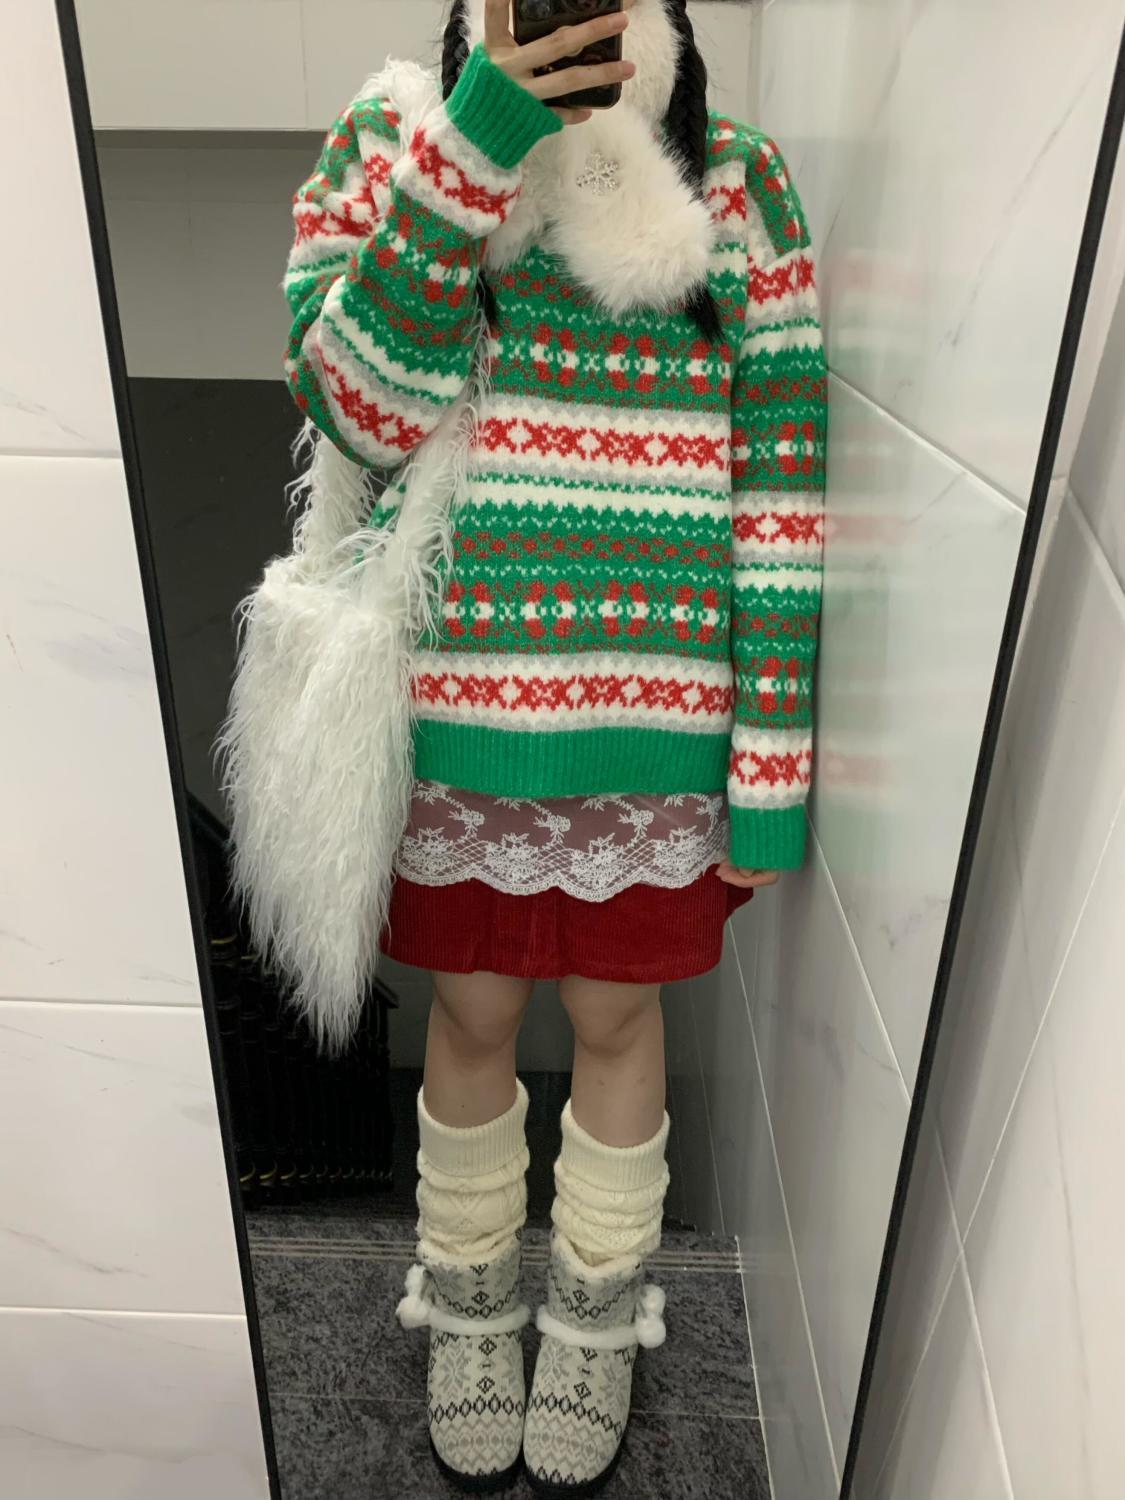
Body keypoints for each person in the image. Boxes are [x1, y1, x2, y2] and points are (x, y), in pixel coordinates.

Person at [280, 0, 827, 1490]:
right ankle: (468, 1306)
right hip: (453, 722)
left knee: (616, 1024)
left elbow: (781, 488)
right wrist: (478, 147)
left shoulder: (738, 179)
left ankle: (591, 1321)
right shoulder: (396, 138)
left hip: (656, 731)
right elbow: (351, 408)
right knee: (465, 1019)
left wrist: (767, 776)